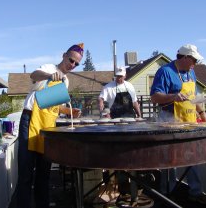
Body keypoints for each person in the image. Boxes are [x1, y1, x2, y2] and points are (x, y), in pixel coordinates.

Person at [17, 43, 84, 208]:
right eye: (71, 60)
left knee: (43, 174)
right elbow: (34, 75)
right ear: (63, 55)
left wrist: (69, 112)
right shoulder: (49, 68)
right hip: (30, 120)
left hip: (47, 126)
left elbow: (49, 103)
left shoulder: (65, 81)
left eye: (76, 64)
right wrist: (49, 75)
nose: (72, 65)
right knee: (26, 173)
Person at [150, 44, 206, 205]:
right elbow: (155, 97)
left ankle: (195, 192)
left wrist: (202, 113)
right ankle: (167, 193)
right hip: (169, 119)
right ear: (184, 57)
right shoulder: (165, 71)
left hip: (189, 119)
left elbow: (195, 96)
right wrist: (173, 97)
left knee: (193, 156)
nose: (195, 63)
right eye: (194, 59)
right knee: (170, 159)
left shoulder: (191, 72)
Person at [97, 67, 151, 207]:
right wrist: (104, 111)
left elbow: (134, 102)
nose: (119, 78)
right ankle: (121, 185)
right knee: (119, 153)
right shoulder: (108, 87)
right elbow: (101, 99)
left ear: (125, 76)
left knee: (133, 151)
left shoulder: (130, 86)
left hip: (130, 120)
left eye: (121, 76)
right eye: (117, 76)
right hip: (115, 121)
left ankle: (133, 184)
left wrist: (139, 115)